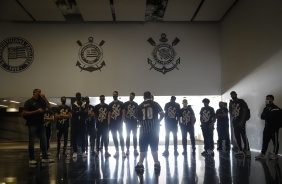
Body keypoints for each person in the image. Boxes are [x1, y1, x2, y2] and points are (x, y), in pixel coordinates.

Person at [135, 91, 164, 173]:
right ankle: (156, 163)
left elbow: (136, 117)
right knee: (154, 147)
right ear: (150, 96)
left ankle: (140, 164)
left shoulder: (140, 106)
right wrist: (158, 121)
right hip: (154, 130)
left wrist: (140, 122)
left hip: (143, 130)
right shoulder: (155, 104)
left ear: (143, 97)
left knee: (143, 148)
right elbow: (162, 114)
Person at [23, 88, 54, 164]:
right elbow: (25, 112)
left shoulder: (42, 101)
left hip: (41, 124)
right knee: (32, 141)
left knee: (44, 140)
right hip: (32, 124)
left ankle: (45, 157)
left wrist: (44, 98)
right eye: (39, 92)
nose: (40, 93)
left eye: (41, 92)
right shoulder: (29, 102)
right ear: (34, 93)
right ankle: (31, 158)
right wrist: (36, 111)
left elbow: (49, 106)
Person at [255, 94, 280, 160]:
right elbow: (262, 116)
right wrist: (268, 115)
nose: (266, 100)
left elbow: (271, 116)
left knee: (275, 142)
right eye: (266, 98)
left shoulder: (275, 108)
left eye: (268, 99)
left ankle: (274, 154)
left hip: (274, 128)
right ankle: (263, 154)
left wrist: (267, 115)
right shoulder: (266, 108)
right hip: (267, 127)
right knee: (265, 141)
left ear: (272, 100)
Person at [229, 91, 251, 157]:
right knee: (237, 136)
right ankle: (240, 150)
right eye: (231, 95)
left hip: (241, 121)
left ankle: (247, 150)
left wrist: (242, 121)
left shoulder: (241, 101)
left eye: (233, 94)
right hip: (235, 122)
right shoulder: (232, 103)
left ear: (236, 94)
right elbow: (230, 113)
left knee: (243, 135)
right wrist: (230, 106)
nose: (232, 96)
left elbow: (245, 111)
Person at [108, 91, 126, 158]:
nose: (114, 95)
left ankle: (123, 151)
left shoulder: (121, 103)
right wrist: (109, 123)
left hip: (119, 123)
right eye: (113, 94)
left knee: (121, 137)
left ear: (117, 95)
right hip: (113, 123)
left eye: (115, 94)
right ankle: (117, 151)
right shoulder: (110, 104)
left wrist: (122, 120)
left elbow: (123, 112)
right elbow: (109, 114)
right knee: (114, 137)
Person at [71, 92, 88, 158]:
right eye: (77, 96)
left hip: (82, 124)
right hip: (75, 124)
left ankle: (83, 152)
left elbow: (86, 113)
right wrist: (81, 112)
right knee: (74, 139)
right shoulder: (73, 104)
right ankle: (75, 152)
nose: (79, 97)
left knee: (83, 138)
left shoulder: (84, 104)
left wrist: (78, 112)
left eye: (79, 96)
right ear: (76, 97)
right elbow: (73, 114)